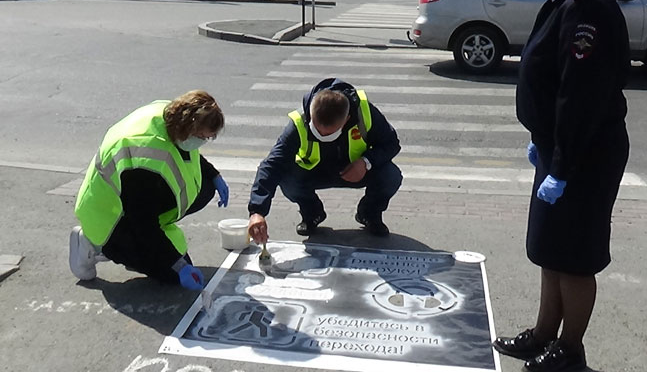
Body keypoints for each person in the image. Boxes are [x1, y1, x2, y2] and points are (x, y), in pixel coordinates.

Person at [492, 0, 631, 372]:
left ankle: (570, 347)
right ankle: (544, 331)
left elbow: (581, 97)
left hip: (583, 153)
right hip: (560, 148)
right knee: (550, 248)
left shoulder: (586, 3)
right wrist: (544, 143)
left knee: (573, 257)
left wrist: (563, 166)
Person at [69, 90, 229, 290]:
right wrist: (179, 267)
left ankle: (137, 252)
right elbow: (143, 225)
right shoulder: (144, 161)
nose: (203, 142)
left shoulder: (172, 118)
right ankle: (92, 245)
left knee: (205, 188)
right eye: (201, 137)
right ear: (187, 127)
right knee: (173, 275)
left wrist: (214, 175)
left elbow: (190, 154)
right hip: (109, 218)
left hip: (135, 205)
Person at [247, 78, 402, 241]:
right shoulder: (299, 122)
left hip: (355, 170)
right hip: (314, 173)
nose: (321, 136)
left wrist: (366, 162)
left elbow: (391, 143)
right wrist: (257, 212)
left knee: (391, 176)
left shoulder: (364, 113)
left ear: (347, 119)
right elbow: (272, 165)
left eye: (329, 134)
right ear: (311, 115)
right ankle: (312, 214)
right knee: (287, 179)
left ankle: (369, 214)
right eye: (317, 130)